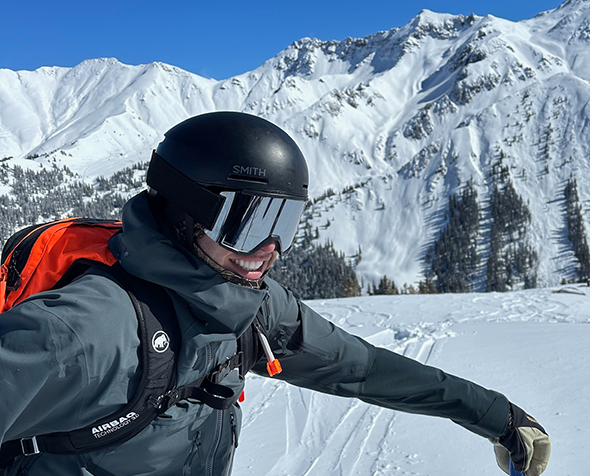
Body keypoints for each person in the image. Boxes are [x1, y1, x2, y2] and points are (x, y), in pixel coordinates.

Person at [0, 111, 551, 475]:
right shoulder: (89, 331)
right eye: (248, 223)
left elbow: (361, 368)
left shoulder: (250, 306)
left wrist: (494, 414)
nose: (269, 250)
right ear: (186, 211)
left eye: (284, 226)